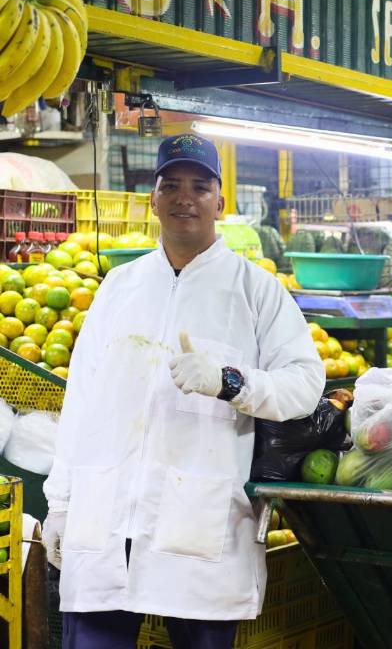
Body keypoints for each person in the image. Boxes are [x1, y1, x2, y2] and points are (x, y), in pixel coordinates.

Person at [41, 134, 326, 648]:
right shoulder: (119, 287)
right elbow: (80, 399)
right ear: (152, 200)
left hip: (199, 521)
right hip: (104, 517)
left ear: (220, 202)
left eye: (199, 186)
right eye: (170, 185)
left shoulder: (255, 290)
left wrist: (230, 382)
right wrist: (60, 503)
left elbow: (304, 384)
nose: (184, 198)